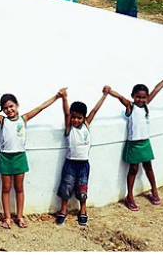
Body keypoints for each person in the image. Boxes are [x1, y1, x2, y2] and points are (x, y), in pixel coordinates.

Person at [0, 90, 63, 229]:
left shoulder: (24, 119)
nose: (9, 110)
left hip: (19, 157)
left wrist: (56, 97)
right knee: (5, 188)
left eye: (11, 106)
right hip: (5, 157)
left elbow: (41, 107)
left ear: (17, 105)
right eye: (5, 108)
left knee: (19, 188)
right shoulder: (2, 120)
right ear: (3, 110)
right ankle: (7, 217)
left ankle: (20, 216)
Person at [106, 75, 163, 211]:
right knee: (134, 169)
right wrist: (109, 91)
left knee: (149, 167)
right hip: (134, 144)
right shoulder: (131, 107)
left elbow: (156, 89)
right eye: (138, 97)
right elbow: (120, 98)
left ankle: (154, 191)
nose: (141, 100)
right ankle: (129, 196)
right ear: (133, 96)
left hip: (145, 143)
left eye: (143, 97)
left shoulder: (146, 107)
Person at [54, 86, 109, 226]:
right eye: (74, 117)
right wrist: (64, 98)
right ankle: (63, 210)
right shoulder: (69, 128)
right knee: (66, 187)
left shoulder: (86, 125)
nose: (76, 120)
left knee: (82, 188)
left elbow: (95, 110)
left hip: (84, 164)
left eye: (79, 118)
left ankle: (83, 210)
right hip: (70, 163)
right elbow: (66, 113)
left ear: (84, 118)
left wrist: (104, 95)